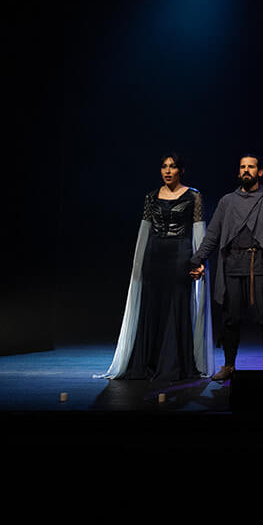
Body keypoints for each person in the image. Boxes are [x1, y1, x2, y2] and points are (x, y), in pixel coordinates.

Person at [188, 154, 263, 381]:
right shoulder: (227, 201)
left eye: (251, 167)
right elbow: (213, 235)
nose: (246, 170)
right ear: (238, 172)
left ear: (260, 172)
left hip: (260, 265)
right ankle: (229, 365)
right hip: (232, 265)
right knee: (231, 318)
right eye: (243, 167)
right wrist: (197, 259)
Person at [105, 154, 212, 380]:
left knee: (177, 307)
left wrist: (199, 260)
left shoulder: (194, 196)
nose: (168, 170)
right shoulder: (151, 197)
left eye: (173, 166)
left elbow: (199, 230)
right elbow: (144, 232)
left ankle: (174, 364)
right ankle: (149, 362)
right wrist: (139, 264)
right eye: (164, 166)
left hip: (180, 255)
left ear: (181, 170)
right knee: (153, 307)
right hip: (154, 256)